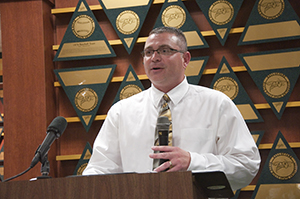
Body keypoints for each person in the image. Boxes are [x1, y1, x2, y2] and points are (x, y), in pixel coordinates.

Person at [83, 26, 261, 191]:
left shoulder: (217, 104)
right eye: (148, 52)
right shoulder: (121, 112)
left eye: (165, 50)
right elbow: (99, 170)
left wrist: (193, 162)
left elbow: (246, 165)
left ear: (185, 59)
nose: (155, 58)